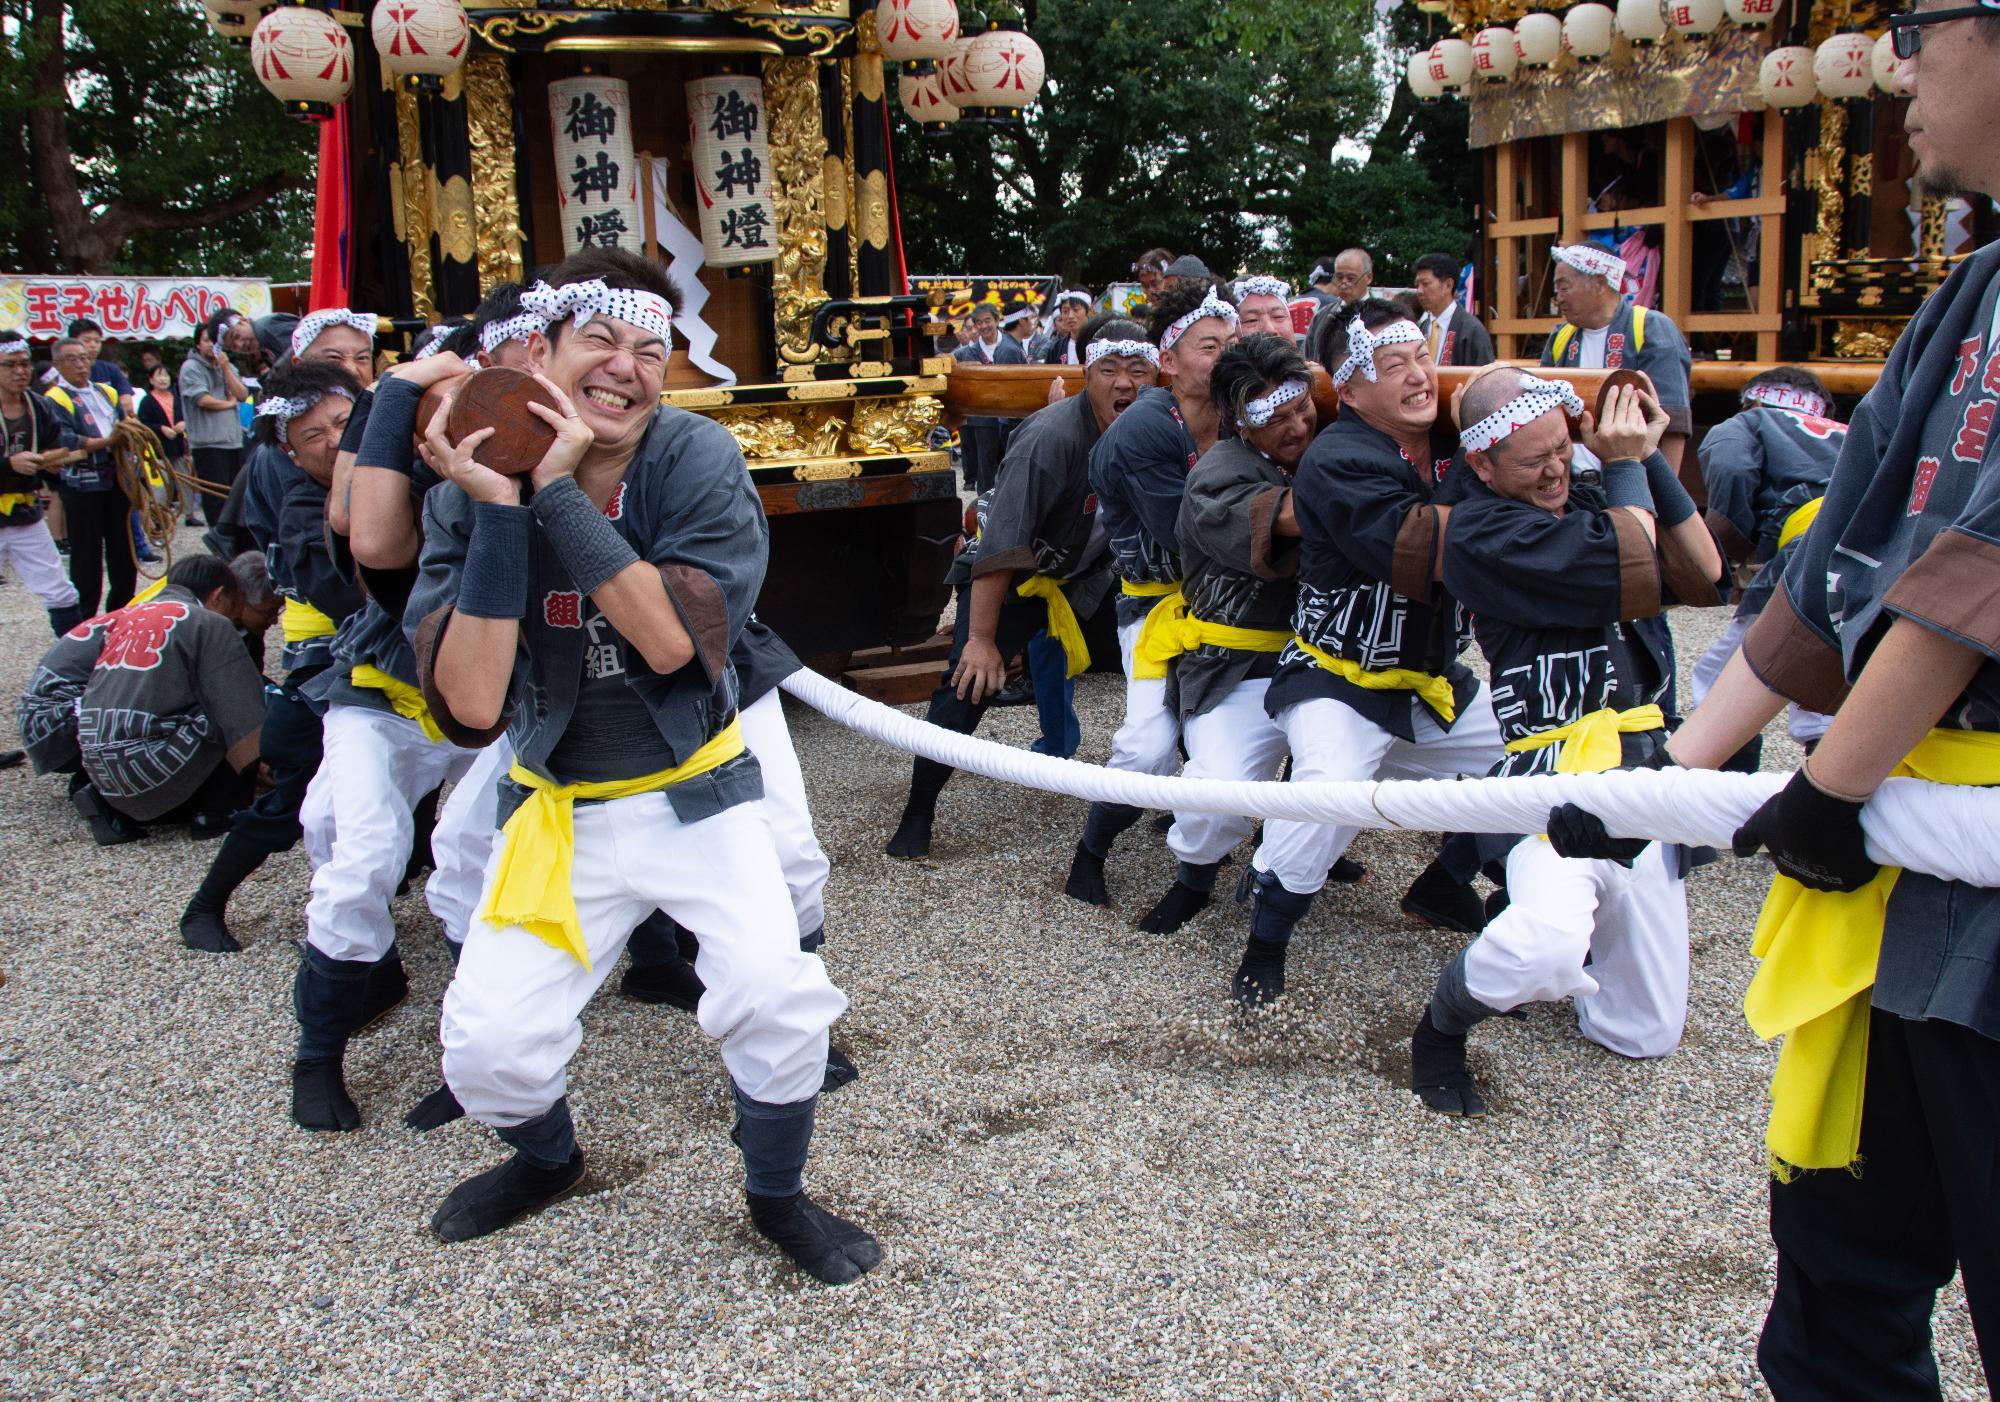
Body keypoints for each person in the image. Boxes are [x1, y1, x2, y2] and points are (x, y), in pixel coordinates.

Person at [1550, 15, 2000, 1389]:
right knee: (1839, 1290)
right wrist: (1668, 785)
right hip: (1901, 867)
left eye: (1926, 35)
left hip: (1956, 856)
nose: (1900, 73)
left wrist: (1835, 783)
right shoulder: (1968, 294)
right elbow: (1836, 566)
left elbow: (1981, 567)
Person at [404, 250, 877, 1284]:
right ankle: (547, 1159)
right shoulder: (464, 479)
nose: (626, 367)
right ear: (537, 351)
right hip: (556, 807)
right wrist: (495, 505)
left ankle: (776, 1194)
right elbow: (477, 705)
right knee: (485, 1049)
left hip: (696, 795)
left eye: (652, 350)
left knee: (773, 993)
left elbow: (668, 645)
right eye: (601, 342)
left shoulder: (694, 457)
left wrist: (557, 491)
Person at [1410, 370, 1723, 1117]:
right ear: (1482, 466)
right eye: (1533, 459)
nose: (1557, 468)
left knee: (1643, 1032)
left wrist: (1641, 455)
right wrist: (1619, 469)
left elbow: (1705, 570)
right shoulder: (1479, 535)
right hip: (1552, 781)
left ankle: (1526, 930)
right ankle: (1442, 1027)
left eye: (1564, 447)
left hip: (1647, 778)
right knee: (1544, 944)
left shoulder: (1591, 499)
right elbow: (1631, 563)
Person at [1230, 299, 1504, 1008]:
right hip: (1336, 679)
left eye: (1422, 357)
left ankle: (1448, 879)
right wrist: (1487, 454)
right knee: (1332, 789)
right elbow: (1417, 551)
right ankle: (1267, 936)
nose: (1419, 377)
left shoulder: (1449, 438)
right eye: (1393, 366)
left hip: (1426, 682)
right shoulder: (1337, 457)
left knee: (1530, 756)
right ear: (1348, 390)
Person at [886, 318, 1155, 860]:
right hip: (1011, 578)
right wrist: (982, 638)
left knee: (1179, 660)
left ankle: (1186, 797)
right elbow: (1001, 541)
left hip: (1088, 578)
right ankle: (918, 811)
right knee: (969, 683)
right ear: (1087, 374)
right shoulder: (1050, 437)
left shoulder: (1158, 431)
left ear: (1157, 375)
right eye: (1110, 369)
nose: (1125, 382)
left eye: (1137, 369)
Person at [179, 362, 363, 953]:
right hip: (334, 654)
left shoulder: (406, 469)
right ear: (287, 449)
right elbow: (344, 596)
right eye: (313, 435)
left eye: (343, 421)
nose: (334, 440)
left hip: (420, 654)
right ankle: (206, 905)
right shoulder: (301, 508)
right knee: (298, 794)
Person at [1065, 285, 1234, 905]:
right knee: (1148, 747)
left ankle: (1300, 846)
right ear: (1170, 358)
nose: (1226, 355)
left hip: (1236, 605)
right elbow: (1184, 532)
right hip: (1158, 602)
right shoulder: (1144, 428)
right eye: (1210, 346)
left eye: (1232, 344)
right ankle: (1091, 849)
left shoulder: (1240, 413)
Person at [1139, 334, 1314, 934]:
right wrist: (1361, 475)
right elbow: (1300, 519)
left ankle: (1447, 878)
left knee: (1475, 761)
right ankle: (1194, 878)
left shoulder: (1321, 447)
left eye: (1302, 408)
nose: (1297, 426)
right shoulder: (1218, 476)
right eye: (1277, 417)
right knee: (1215, 793)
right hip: (1235, 669)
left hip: (1331, 669)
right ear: (1241, 423)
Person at [1542, 242, 1700, 717]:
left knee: (1638, 592)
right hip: (1574, 485)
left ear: (1599, 282)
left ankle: (1657, 706)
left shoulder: (1650, 328)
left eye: (1565, 285)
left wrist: (1657, 503)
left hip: (1630, 481)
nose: (1558, 297)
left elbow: (1670, 422)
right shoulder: (1560, 337)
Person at [21, 553, 265, 845]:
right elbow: (237, 707)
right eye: (235, 606)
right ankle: (216, 811)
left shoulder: (142, 610)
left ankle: (101, 787)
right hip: (64, 722)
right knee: (220, 700)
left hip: (51, 724)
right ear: (218, 596)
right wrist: (261, 762)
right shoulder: (205, 622)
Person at [1690, 368, 1845, 769]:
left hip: (1810, 545)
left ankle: (1717, 790)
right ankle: (1833, 785)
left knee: (1724, 674)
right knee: (1836, 667)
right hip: (1879, 548)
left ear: (1752, 401)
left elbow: (1733, 467)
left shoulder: (1751, 421)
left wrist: (1727, 547)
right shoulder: (1850, 432)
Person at [0, 330, 85, 635]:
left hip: (24, 512)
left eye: (24, 363)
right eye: (9, 365)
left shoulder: (38, 406)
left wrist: (52, 464)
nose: (20, 371)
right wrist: (9, 464)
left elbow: (52, 451)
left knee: (60, 592)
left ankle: (76, 669)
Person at [43, 335, 134, 618]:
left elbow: (124, 424)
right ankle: (85, 618)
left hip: (116, 480)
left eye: (84, 358)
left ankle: (120, 611)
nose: (81, 365)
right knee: (86, 556)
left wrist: (129, 435)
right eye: (72, 359)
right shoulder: (54, 398)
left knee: (124, 551)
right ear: (58, 364)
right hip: (82, 485)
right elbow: (66, 439)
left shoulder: (106, 392)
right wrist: (109, 441)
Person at [180, 312, 251, 529]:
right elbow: (203, 400)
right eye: (206, 341)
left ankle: (236, 542)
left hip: (233, 440)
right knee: (215, 499)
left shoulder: (227, 366)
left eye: (214, 340)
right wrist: (229, 404)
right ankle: (220, 541)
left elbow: (241, 394)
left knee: (236, 497)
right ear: (198, 344)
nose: (211, 345)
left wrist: (226, 368)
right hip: (208, 444)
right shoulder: (191, 368)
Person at [952, 303, 1024, 496]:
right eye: (979, 322)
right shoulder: (967, 352)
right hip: (982, 417)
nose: (984, 326)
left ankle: (1008, 497)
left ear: (997, 320)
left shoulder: (1011, 347)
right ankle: (983, 501)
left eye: (987, 321)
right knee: (986, 460)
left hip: (1009, 416)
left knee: (1009, 458)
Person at [137, 361, 197, 526]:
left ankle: (189, 514)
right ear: (151, 380)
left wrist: (183, 424)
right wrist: (161, 428)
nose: (163, 379)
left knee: (186, 480)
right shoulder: (147, 401)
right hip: (157, 449)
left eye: (166, 375)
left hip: (178, 447)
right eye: (159, 375)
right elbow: (143, 423)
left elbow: (188, 417)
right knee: (161, 485)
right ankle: (159, 517)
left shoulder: (177, 399)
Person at [1413, 252, 1494, 368]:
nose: (1420, 291)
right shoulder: (1420, 329)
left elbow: (1485, 378)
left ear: (1448, 285)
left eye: (1425, 284)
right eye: (1417, 285)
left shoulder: (1472, 329)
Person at [1304, 248, 1376, 370]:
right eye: (1339, 277)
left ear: (1368, 277)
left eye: (1351, 278)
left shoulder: (1383, 315)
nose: (1344, 283)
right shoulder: (1322, 316)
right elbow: (1307, 359)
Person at [67, 318, 135, 414]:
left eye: (97, 341)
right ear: (72, 342)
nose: (93, 345)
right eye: (87, 341)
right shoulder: (66, 372)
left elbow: (127, 403)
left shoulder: (110, 369)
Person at [1040, 288, 1093, 365]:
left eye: (1076, 310)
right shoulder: (1056, 348)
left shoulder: (1099, 344)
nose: (1070, 316)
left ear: (1089, 311)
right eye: (1065, 311)